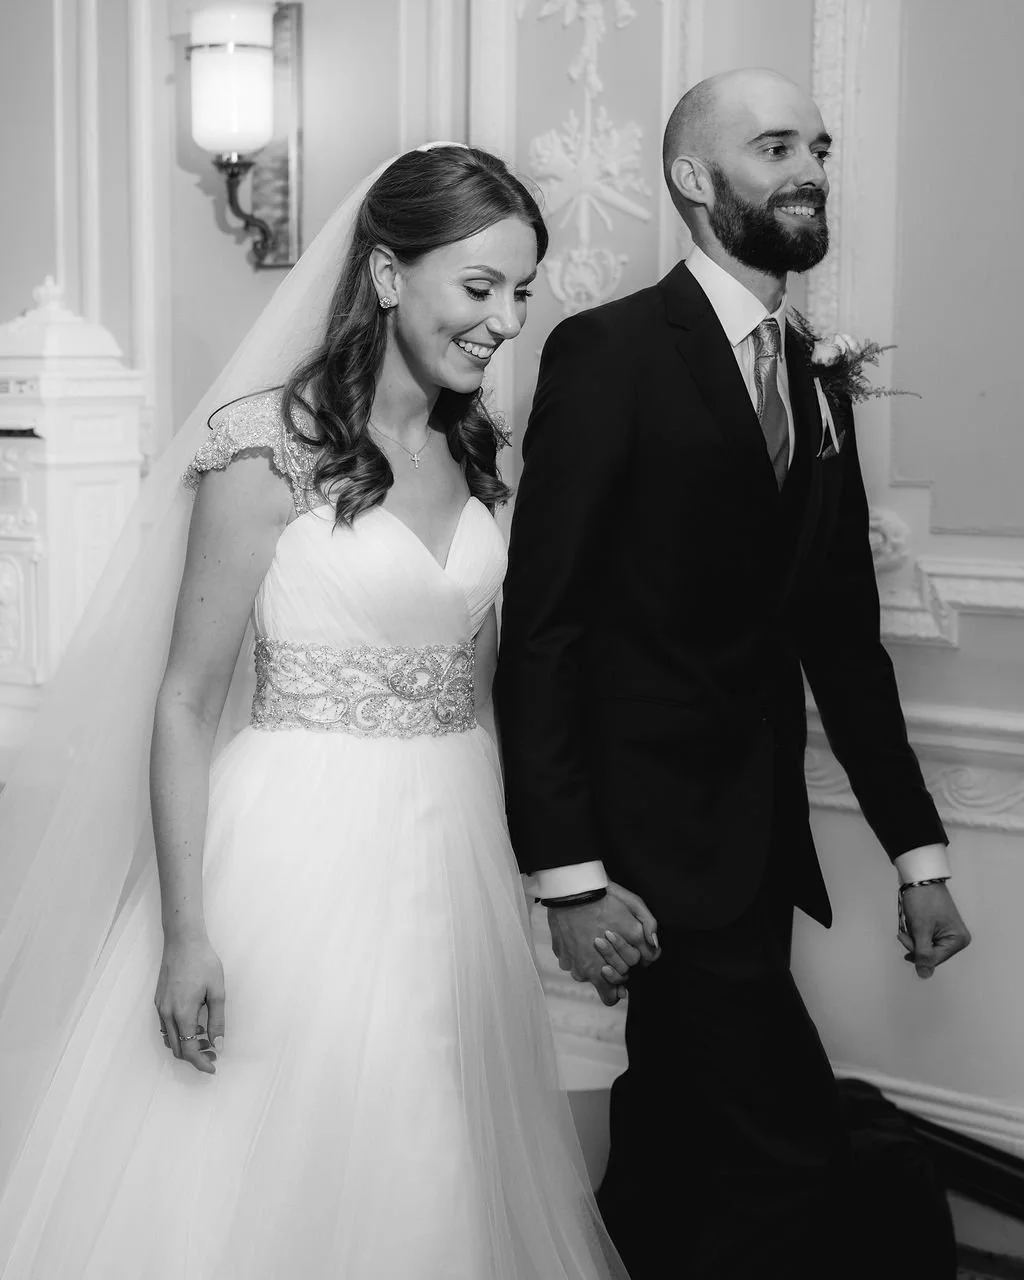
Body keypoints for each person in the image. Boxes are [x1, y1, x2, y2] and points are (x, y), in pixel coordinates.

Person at [0, 145, 637, 1278]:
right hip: (299, 853)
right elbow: (188, 700)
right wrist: (187, 929)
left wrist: (555, 875)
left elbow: (493, 695)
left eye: (522, 293)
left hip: (454, 850)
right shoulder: (264, 447)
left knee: (436, 1136)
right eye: (478, 287)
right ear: (390, 277)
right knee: (306, 1147)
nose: (505, 320)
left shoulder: (478, 450)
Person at [495, 69, 972, 1279]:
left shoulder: (814, 372)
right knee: (782, 1147)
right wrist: (568, 875)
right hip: (644, 852)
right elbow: (541, 626)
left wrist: (918, 852)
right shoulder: (606, 354)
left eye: (819, 146)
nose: (811, 168)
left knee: (677, 1133)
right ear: (694, 183)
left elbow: (842, 640)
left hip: (756, 847)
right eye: (775, 148)